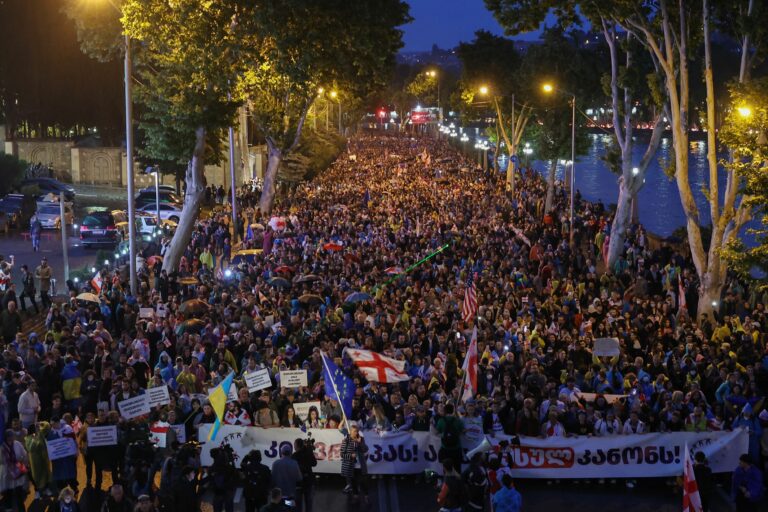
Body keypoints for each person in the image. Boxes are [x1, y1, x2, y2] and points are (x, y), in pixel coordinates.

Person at [0, 429, 29, 512]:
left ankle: (21, 510)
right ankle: (9, 508)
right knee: (7, 494)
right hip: (6, 474)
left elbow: (24, 454)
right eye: (10, 436)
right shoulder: (2, 446)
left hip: (17, 472)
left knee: (19, 494)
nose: (12, 437)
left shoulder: (17, 444)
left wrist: (24, 463)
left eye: (12, 435)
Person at [340, 422, 368, 500]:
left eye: (356, 431)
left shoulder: (361, 439)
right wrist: (350, 456)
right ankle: (356, 496)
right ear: (350, 432)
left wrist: (360, 443)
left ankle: (366, 495)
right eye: (353, 431)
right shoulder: (346, 441)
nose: (355, 433)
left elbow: (365, 449)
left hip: (360, 465)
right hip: (351, 466)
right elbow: (342, 454)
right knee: (353, 482)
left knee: (363, 481)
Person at [292, 438, 317, 512]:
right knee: (308, 503)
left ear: (296, 446)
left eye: (294, 445)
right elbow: (314, 463)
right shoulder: (308, 453)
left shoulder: (294, 456)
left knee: (298, 504)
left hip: (298, 482)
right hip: (309, 480)